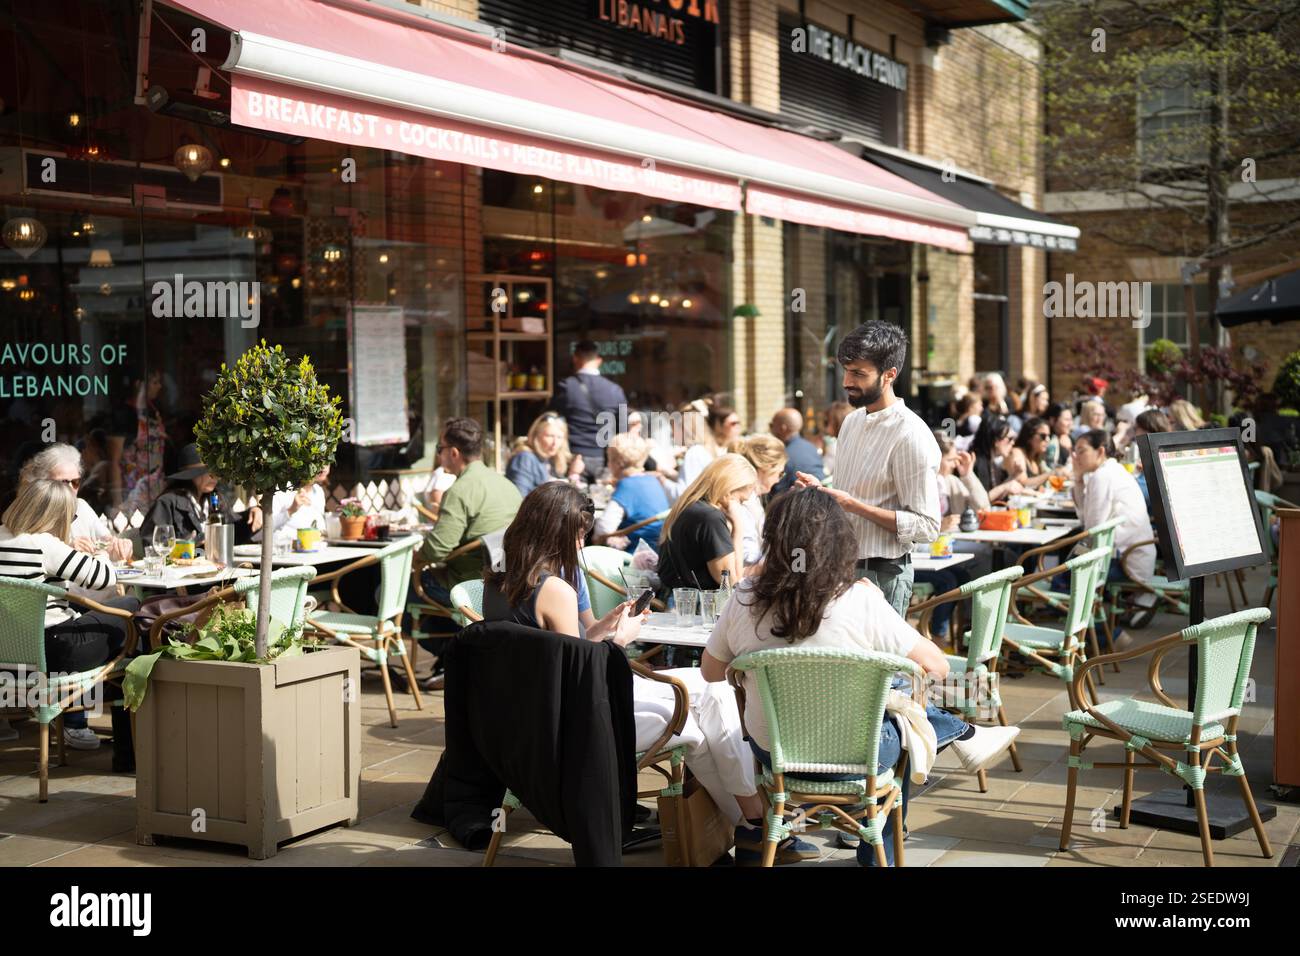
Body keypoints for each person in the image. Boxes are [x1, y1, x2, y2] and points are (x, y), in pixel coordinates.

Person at [483, 482, 809, 863]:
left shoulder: (499, 580)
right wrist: (619, 640)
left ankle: (752, 824)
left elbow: (558, 654)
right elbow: (577, 675)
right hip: (578, 724)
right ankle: (757, 823)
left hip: (528, 718)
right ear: (555, 534)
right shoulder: (556, 588)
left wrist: (602, 629)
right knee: (706, 703)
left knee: (704, 700)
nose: (580, 547)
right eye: (576, 537)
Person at [702, 489, 1021, 867]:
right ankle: (877, 848)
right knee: (900, 714)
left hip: (775, 751)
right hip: (858, 753)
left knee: (893, 696)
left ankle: (961, 733)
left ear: (774, 538)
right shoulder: (859, 599)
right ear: (840, 542)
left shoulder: (744, 597)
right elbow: (937, 667)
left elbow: (711, 672)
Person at [795, 321, 939, 616]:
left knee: (879, 663)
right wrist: (821, 492)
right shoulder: (851, 421)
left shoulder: (910, 434)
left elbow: (927, 526)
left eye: (858, 373)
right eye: (846, 371)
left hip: (882, 575)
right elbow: (846, 495)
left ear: (889, 375)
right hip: (837, 567)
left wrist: (853, 505)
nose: (847, 381)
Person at [0, 479, 140, 760]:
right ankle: (129, 750)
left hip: (8, 660)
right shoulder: (44, 544)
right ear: (56, 515)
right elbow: (105, 579)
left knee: (111, 617)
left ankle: (97, 733)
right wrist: (100, 550)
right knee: (132, 609)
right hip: (54, 654)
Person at [417, 417, 524, 685]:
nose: (439, 454)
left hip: (471, 585)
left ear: (454, 452)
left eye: (440, 448)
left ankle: (455, 656)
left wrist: (417, 556)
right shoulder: (506, 484)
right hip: (507, 581)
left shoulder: (460, 490)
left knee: (392, 589)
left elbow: (437, 549)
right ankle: (460, 656)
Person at [1071, 429, 1157, 634]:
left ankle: (1105, 637)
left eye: (1081, 451)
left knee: (1063, 580)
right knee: (1067, 572)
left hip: (1127, 562)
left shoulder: (1103, 477)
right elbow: (1088, 522)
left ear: (1100, 451)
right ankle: (1101, 636)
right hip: (1134, 557)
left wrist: (1073, 559)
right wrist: (1078, 479)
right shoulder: (1111, 472)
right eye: (1074, 452)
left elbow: (1091, 529)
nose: (1076, 457)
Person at [656, 453, 756, 594]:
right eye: (741, 501)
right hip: (696, 607)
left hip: (676, 598)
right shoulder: (711, 518)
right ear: (728, 490)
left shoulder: (688, 505)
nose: (741, 507)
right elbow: (730, 581)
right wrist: (738, 529)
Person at [140, 444, 262, 546]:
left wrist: (252, 514)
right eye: (208, 472)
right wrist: (190, 545)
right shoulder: (167, 502)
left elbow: (232, 530)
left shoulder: (215, 500)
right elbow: (153, 544)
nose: (214, 476)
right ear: (190, 475)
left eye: (216, 471)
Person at [549, 340, 627, 482]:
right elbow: (623, 428)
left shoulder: (566, 387)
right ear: (599, 361)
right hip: (605, 459)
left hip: (574, 457)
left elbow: (551, 419)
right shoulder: (615, 390)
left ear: (575, 359)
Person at [592, 432, 670, 553]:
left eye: (609, 460)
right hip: (659, 550)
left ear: (618, 463)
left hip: (635, 554)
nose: (608, 464)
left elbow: (604, 528)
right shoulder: (652, 480)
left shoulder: (627, 485)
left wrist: (595, 538)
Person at [728, 434, 788, 568]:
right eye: (780, 473)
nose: (778, 480)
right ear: (766, 468)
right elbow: (748, 557)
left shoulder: (751, 498)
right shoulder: (744, 500)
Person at [505, 413, 584, 497]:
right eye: (550, 436)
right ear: (536, 435)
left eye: (559, 437)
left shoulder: (551, 459)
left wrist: (574, 474)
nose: (555, 443)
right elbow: (519, 497)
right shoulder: (524, 459)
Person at [970, 415, 1027, 503]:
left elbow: (997, 490)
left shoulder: (990, 461)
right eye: (1010, 439)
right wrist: (1006, 486)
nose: (1013, 443)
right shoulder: (978, 462)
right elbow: (982, 499)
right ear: (996, 440)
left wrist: (1015, 475)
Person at [768, 407, 823, 495]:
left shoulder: (782, 456)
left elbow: (776, 493)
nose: (770, 429)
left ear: (783, 428)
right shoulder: (811, 448)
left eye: (771, 425)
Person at [264, 465, 330, 538]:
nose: (324, 468)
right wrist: (291, 510)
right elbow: (266, 527)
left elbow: (320, 526)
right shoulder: (282, 489)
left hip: (314, 546)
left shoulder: (318, 491)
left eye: (327, 462)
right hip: (284, 546)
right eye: (320, 462)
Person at [1129, 408, 1173, 510]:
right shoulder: (1163, 452)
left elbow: (1139, 494)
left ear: (1147, 430)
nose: (1135, 432)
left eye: (1136, 428)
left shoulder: (1156, 458)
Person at [1005, 416, 1059, 491]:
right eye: (1043, 436)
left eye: (1049, 436)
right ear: (1030, 436)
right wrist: (1051, 473)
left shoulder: (1037, 456)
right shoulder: (1017, 452)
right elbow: (1023, 483)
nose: (1047, 439)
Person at [818, 400, 852, 476]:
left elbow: (824, 471)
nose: (825, 428)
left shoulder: (834, 446)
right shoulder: (851, 443)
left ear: (838, 422)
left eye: (826, 422)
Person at [1045, 402, 1075, 468]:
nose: (1070, 423)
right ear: (1052, 420)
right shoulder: (1046, 440)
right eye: (1066, 420)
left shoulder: (1071, 439)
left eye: (1071, 419)